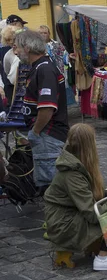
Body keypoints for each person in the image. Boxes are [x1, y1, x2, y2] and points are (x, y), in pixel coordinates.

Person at [44, 124, 107, 271]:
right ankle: (103, 258)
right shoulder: (72, 174)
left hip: (70, 216)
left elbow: (90, 196)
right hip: (64, 225)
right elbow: (92, 214)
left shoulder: (76, 164)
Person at [14, 29, 69, 189]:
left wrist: (35, 132)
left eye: (16, 47)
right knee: (49, 182)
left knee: (51, 185)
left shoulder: (44, 69)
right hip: (46, 134)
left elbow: (47, 108)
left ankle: (57, 213)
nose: (15, 52)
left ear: (27, 47)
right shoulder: (40, 67)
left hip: (48, 134)